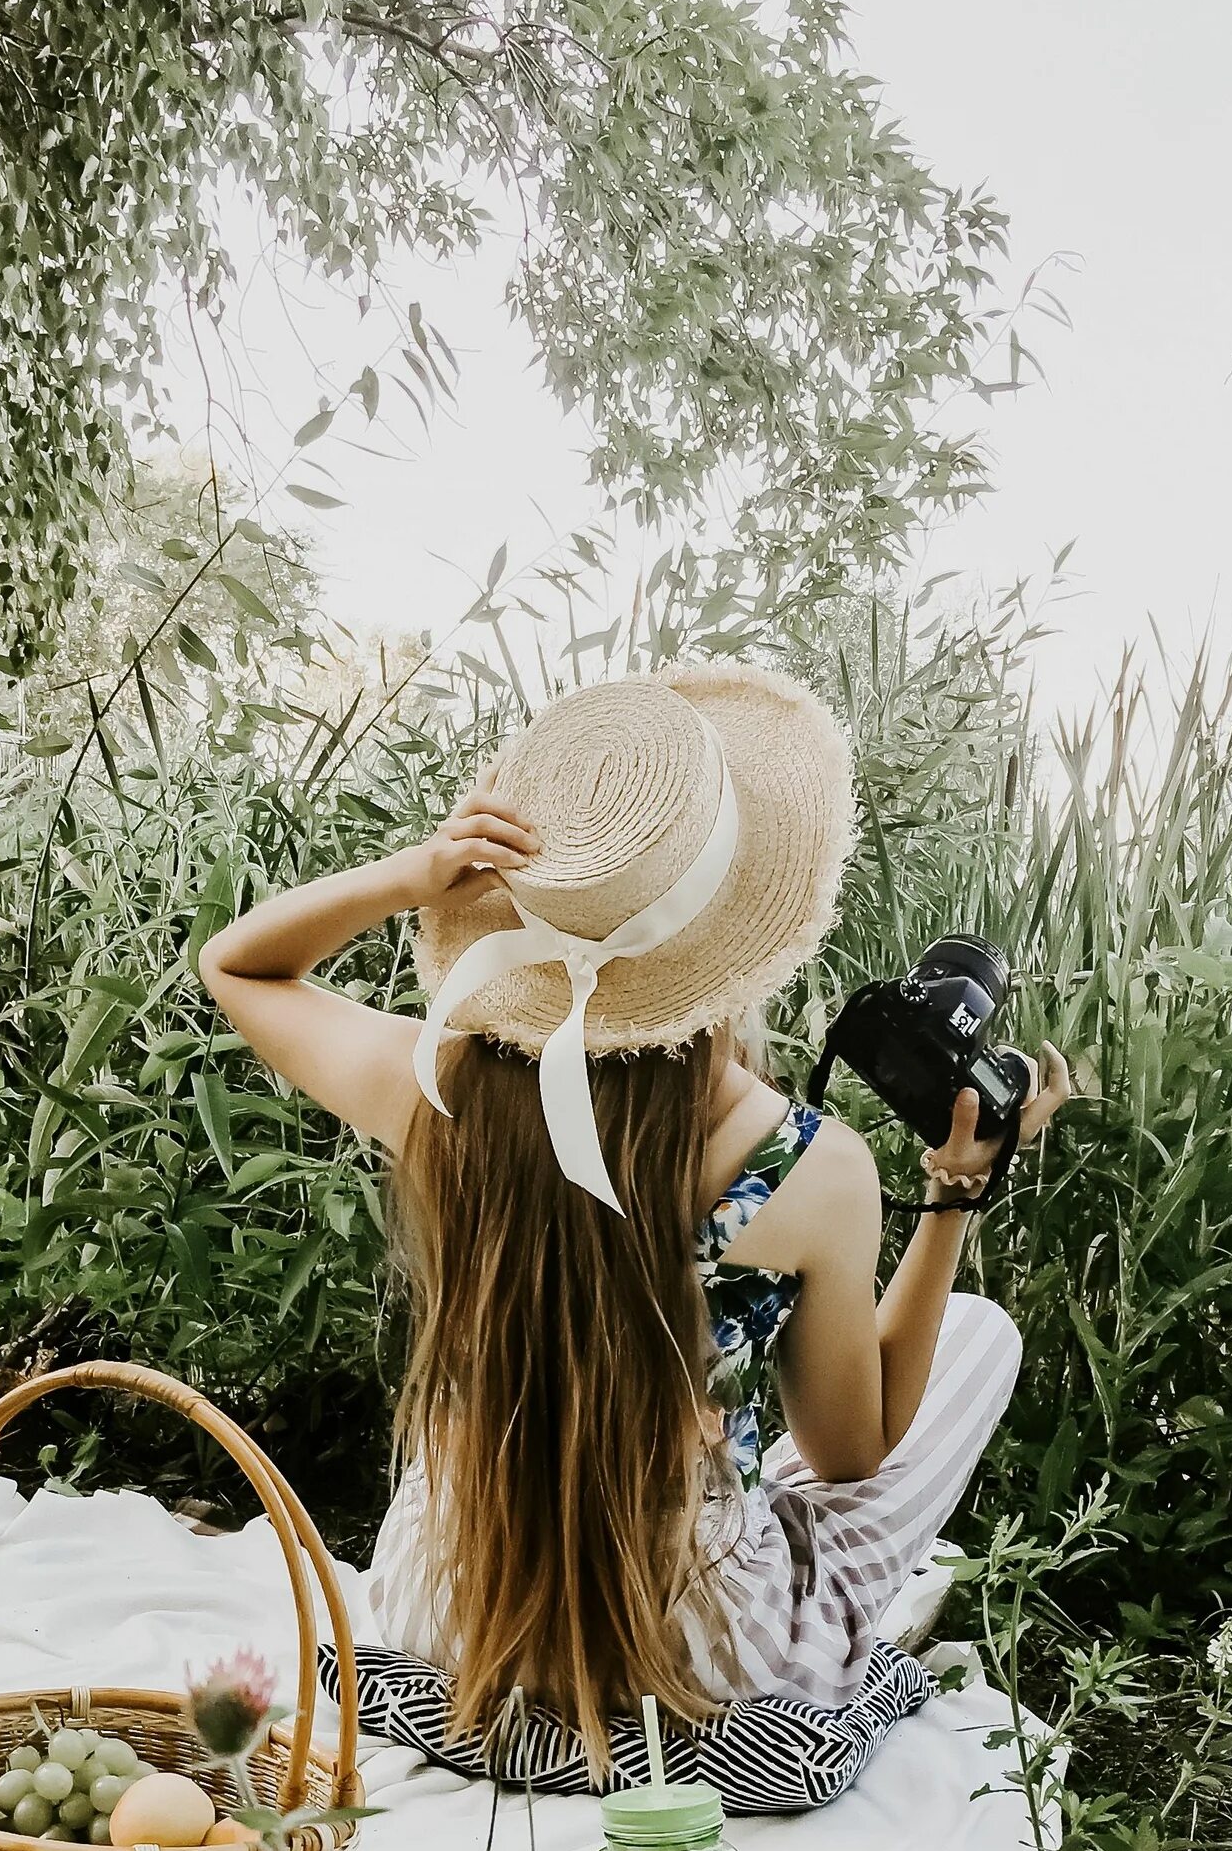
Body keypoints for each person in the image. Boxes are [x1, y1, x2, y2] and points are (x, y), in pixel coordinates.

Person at [199, 663, 1070, 1775]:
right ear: (741, 948)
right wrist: (953, 1192)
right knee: (975, 1338)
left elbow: (241, 966)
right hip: (700, 1652)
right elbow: (850, 1453)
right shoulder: (810, 1167)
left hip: (446, 1616)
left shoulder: (435, 1091)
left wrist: (416, 874)